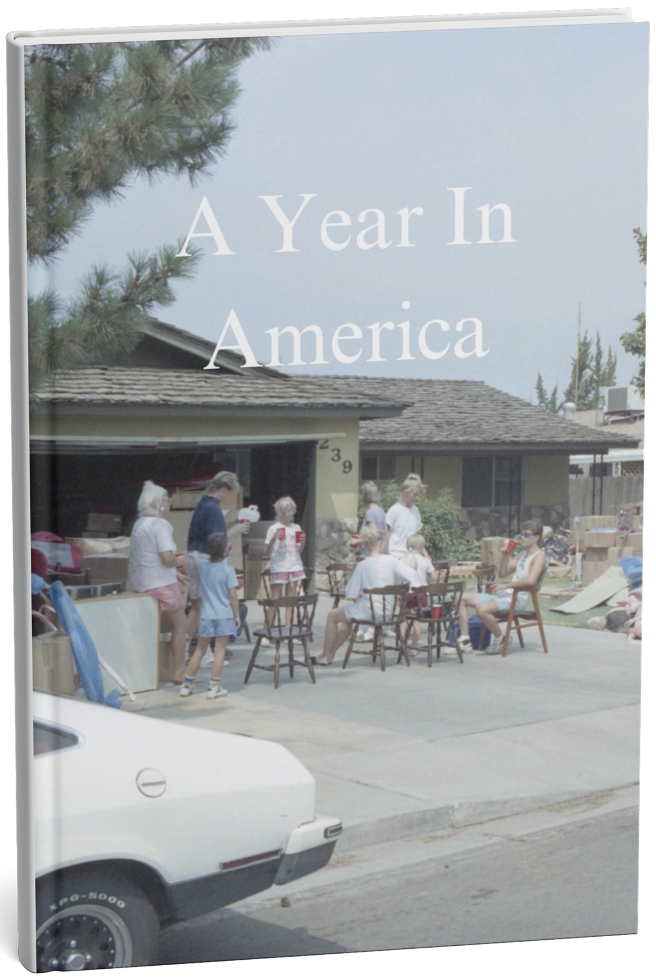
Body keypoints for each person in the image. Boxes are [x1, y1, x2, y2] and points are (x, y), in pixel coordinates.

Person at [315, 526, 414, 664]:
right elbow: (412, 575)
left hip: (371, 611)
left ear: (366, 546)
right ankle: (330, 654)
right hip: (390, 613)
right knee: (346, 620)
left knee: (332, 615)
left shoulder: (363, 565)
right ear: (380, 543)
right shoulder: (392, 561)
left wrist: (363, 601)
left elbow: (351, 593)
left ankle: (326, 653)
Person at [457, 519, 547, 655]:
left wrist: (506, 586)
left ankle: (501, 639)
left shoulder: (539, 556)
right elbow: (502, 573)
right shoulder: (522, 554)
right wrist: (506, 556)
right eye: (521, 534)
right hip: (505, 597)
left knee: (481, 609)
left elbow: (530, 581)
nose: (522, 537)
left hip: (517, 599)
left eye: (526, 535)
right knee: (460, 598)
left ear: (536, 538)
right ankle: (465, 641)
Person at [129, 481, 188, 684]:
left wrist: (174, 572)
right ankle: (179, 672)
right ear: (160, 504)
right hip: (159, 583)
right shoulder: (161, 524)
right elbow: (167, 558)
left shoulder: (139, 524)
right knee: (180, 625)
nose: (169, 504)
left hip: (141, 582)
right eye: (168, 500)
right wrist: (179, 562)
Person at [186, 471, 249, 643]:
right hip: (206, 559)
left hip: (193, 554)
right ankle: (206, 649)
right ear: (225, 488)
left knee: (196, 606)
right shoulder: (213, 507)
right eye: (230, 492)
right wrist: (235, 530)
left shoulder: (203, 503)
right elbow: (215, 540)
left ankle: (184, 647)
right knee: (209, 607)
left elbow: (209, 528)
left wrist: (232, 522)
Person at [180, 533, 239, 699]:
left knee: (199, 650)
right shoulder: (229, 570)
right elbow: (233, 595)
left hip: (206, 615)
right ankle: (214, 687)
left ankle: (187, 684)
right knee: (219, 652)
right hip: (224, 615)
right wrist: (237, 615)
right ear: (226, 550)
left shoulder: (203, 568)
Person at [263, 496, 306, 602]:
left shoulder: (297, 527)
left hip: (294, 566)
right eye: (288, 511)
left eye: (293, 510)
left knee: (290, 601)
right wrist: (273, 539)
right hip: (279, 567)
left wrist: (303, 541)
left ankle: (288, 619)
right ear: (280, 512)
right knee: (275, 600)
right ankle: (269, 619)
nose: (291, 513)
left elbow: (298, 552)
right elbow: (266, 554)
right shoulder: (273, 528)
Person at [402, 532, 437, 654]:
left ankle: (402, 642)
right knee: (417, 619)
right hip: (421, 592)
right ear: (422, 545)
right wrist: (425, 580)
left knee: (404, 617)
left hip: (408, 592)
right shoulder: (425, 561)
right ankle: (414, 646)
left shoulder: (403, 560)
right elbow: (434, 577)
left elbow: (399, 578)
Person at [386, 474, 427, 559]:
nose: (417, 497)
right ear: (406, 493)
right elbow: (385, 533)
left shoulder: (415, 510)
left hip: (411, 555)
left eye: (418, 495)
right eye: (415, 494)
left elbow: (416, 537)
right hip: (394, 555)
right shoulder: (394, 510)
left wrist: (426, 555)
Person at [358, 480, 388, 554]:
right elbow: (386, 534)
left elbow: (372, 536)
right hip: (380, 552)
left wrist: (357, 541)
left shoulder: (370, 513)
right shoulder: (381, 511)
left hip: (370, 554)